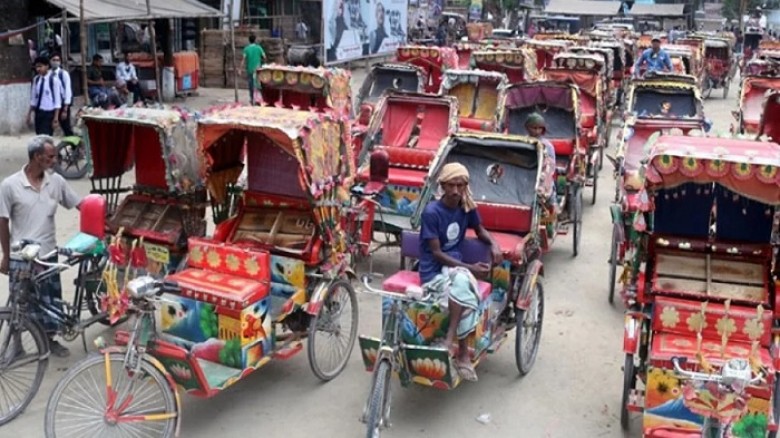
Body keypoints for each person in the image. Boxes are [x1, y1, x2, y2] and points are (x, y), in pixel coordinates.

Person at [0, 135, 82, 357]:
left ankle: (49, 340)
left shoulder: (56, 182)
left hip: (48, 255)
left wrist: (102, 215)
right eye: (50, 156)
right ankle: (16, 345)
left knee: (50, 300)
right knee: (19, 302)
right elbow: (3, 222)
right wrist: (5, 256)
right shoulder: (10, 185)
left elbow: (79, 204)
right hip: (21, 257)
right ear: (37, 157)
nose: (55, 160)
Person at [419, 163, 501, 382]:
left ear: (466, 187)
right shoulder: (431, 212)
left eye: (460, 185)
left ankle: (455, 346)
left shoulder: (466, 207)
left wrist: (494, 244)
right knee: (464, 281)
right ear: (443, 186)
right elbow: (436, 253)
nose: (456, 191)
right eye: (451, 185)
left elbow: (480, 230)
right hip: (433, 272)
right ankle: (459, 349)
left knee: (462, 280)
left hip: (454, 268)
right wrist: (470, 268)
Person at [524, 113, 558, 212]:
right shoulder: (523, 142)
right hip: (525, 176)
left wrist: (542, 181)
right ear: (527, 127)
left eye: (539, 128)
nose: (537, 131)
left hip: (542, 177)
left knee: (548, 194)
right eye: (534, 128)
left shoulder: (547, 146)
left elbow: (550, 167)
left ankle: (554, 211)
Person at [27, 56, 62, 136]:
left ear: (47, 66)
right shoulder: (36, 79)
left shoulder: (54, 80)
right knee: (39, 135)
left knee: (46, 136)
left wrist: (56, 118)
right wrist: (29, 114)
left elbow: (57, 101)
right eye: (36, 67)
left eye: (40, 66)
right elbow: (33, 99)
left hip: (49, 113)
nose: (38, 69)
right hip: (39, 112)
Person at [49, 53, 73, 137]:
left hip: (63, 104)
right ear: (50, 61)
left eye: (57, 60)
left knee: (66, 127)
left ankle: (75, 146)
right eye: (54, 60)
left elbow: (67, 91)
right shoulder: (48, 74)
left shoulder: (63, 74)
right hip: (52, 105)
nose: (56, 62)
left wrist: (65, 109)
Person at [240, 34, 267, 105]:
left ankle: (252, 99)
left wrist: (240, 68)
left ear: (249, 41)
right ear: (255, 40)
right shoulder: (259, 48)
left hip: (250, 69)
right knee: (258, 84)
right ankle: (258, 99)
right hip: (258, 69)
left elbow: (243, 59)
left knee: (251, 85)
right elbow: (264, 56)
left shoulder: (246, 49)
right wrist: (262, 63)